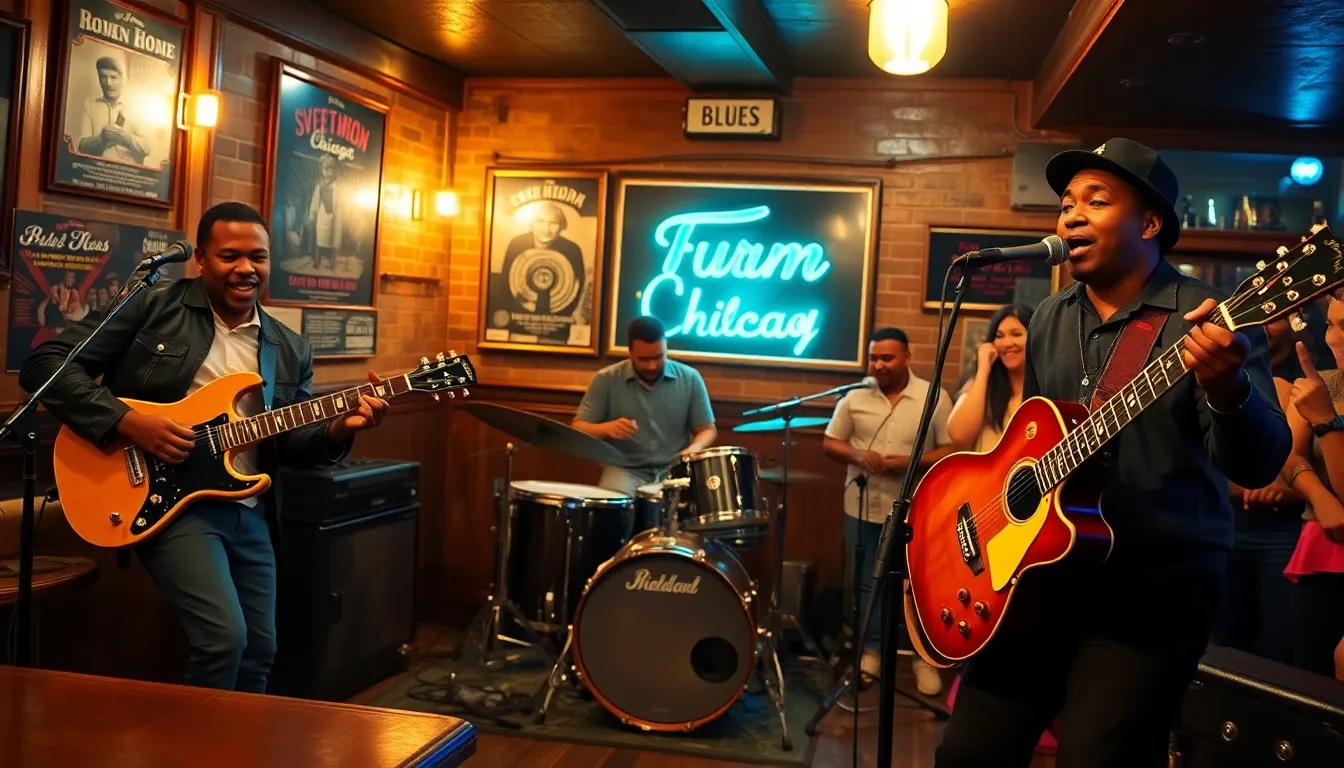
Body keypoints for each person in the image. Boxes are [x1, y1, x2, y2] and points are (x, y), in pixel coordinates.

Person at [933, 139, 1292, 768]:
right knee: (967, 752)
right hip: (1041, 580)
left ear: (1150, 223)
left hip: (1150, 594)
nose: (1069, 215)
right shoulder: (1048, 316)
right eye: (1066, 203)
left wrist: (1228, 388)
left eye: (1095, 201)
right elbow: (1031, 448)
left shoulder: (1210, 318)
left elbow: (1258, 465)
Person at [18, 202, 389, 693]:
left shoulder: (290, 346)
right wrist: (129, 422)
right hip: (169, 501)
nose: (245, 268)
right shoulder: (153, 306)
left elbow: (294, 445)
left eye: (257, 256)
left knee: (260, 649)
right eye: (229, 255)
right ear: (200, 258)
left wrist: (342, 427)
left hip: (250, 508)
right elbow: (45, 366)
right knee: (223, 640)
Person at [823, 327, 954, 697]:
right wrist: (858, 455)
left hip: (916, 512)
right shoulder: (854, 397)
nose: (878, 364)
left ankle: (922, 657)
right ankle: (872, 652)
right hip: (862, 507)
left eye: (887, 358)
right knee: (868, 583)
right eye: (874, 358)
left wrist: (909, 463)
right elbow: (831, 442)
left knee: (917, 586)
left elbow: (950, 449)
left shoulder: (934, 397)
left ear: (907, 357)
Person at [572, 316, 716, 530]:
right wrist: (607, 428)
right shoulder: (606, 379)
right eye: (643, 359)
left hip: (672, 469)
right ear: (629, 352)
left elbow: (707, 429)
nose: (652, 365)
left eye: (659, 357)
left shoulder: (690, 378)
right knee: (610, 517)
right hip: (623, 469)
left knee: (689, 523)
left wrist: (695, 448)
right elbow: (578, 428)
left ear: (666, 348)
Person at [1279, 291, 1344, 680]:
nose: (1333, 338)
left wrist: (1325, 421)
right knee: (1312, 683)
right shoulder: (1326, 383)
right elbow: (1287, 456)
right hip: (1323, 550)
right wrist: (1320, 497)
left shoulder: (1321, 397)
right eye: (1333, 324)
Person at [947, 303, 1032, 451]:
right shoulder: (980, 384)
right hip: (983, 473)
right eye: (999, 336)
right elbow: (959, 436)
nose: (1007, 343)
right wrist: (984, 368)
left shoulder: (1048, 384)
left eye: (1016, 334)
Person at [76, 55, 149, 165]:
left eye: (113, 77)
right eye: (103, 77)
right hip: (98, 174)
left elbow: (146, 148)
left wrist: (125, 138)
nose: (108, 83)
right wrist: (102, 139)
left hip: (129, 176)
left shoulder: (136, 106)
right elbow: (81, 146)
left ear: (122, 79)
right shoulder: (90, 104)